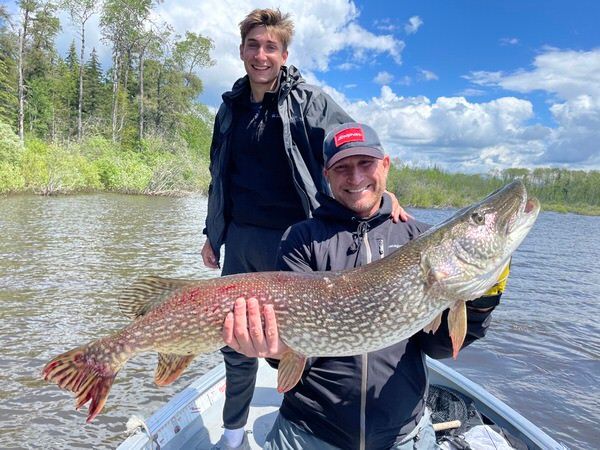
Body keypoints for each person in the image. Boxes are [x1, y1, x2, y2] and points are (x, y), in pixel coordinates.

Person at [223, 122, 507, 449]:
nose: (355, 178)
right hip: (309, 433)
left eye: (365, 164)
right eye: (342, 168)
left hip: (401, 436)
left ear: (385, 165)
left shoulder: (417, 237)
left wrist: (483, 300)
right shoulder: (302, 238)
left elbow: (439, 347)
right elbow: (300, 344)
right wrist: (275, 351)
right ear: (326, 174)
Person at [201, 8, 409, 450]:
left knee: (300, 337)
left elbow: (357, 151)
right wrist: (211, 232)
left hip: (295, 240)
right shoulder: (229, 108)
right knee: (236, 337)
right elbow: (220, 173)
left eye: (270, 47)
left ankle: (303, 418)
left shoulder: (310, 102)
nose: (261, 55)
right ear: (241, 51)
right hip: (241, 237)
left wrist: (388, 198)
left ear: (284, 53)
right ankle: (235, 431)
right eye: (253, 46)